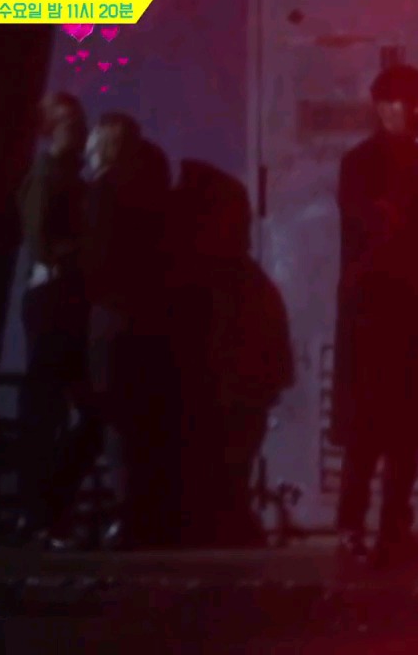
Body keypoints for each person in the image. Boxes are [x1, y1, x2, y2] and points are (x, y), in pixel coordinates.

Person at [331, 64, 418, 569]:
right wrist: (416, 228)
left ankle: (372, 529)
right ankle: (375, 529)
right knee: (383, 426)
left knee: (384, 426)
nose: (400, 112)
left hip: (378, 303)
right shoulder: (402, 164)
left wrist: (405, 224)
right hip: (387, 302)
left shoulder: (369, 163)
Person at [166, 160, 295, 547]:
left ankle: (221, 526)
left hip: (227, 389)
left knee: (219, 469)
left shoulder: (205, 273)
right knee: (230, 470)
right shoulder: (239, 276)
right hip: (240, 389)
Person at [79, 112, 177, 549]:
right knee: (142, 418)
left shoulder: (103, 192)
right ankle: (145, 513)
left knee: (114, 415)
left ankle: (123, 514)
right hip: (147, 313)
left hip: (112, 312)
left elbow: (95, 260)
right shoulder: (151, 194)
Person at [14, 92, 104, 545]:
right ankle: (42, 513)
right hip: (55, 298)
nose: (80, 129)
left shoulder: (68, 178)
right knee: (61, 409)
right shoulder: (48, 176)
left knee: (77, 412)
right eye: (70, 122)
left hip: (64, 297)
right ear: (51, 129)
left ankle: (45, 512)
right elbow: (41, 243)